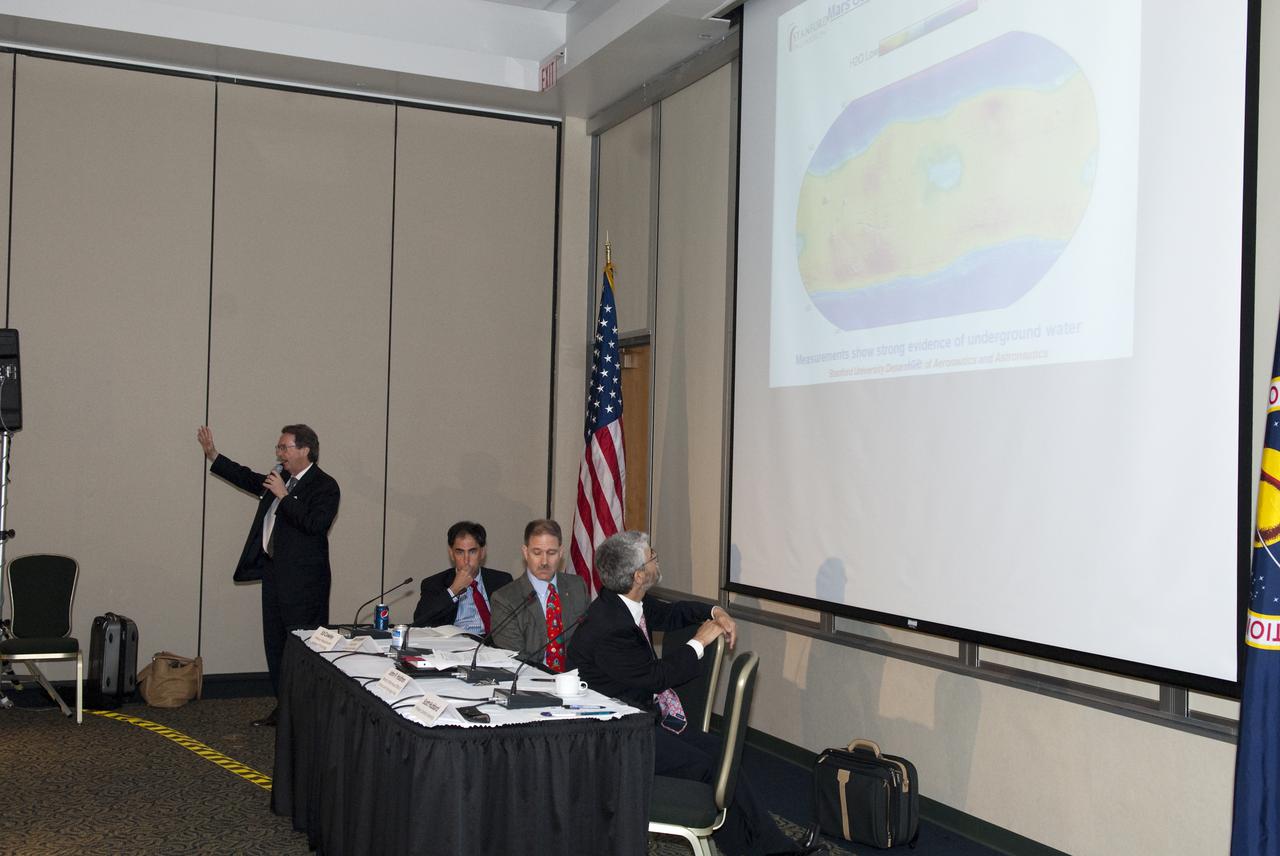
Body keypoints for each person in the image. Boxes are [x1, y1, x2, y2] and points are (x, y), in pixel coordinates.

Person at [567, 531, 823, 856]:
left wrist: (714, 612)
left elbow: (673, 613)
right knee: (710, 766)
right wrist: (699, 641)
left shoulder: (626, 602)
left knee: (722, 755)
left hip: (639, 722)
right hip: (617, 739)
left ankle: (767, 847)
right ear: (638, 576)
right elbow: (656, 677)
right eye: (652, 556)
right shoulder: (610, 628)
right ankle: (776, 850)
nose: (657, 558)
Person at [197, 424, 340, 727]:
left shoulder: (325, 486)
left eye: (284, 447)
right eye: (278, 447)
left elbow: (315, 525)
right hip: (274, 574)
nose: (279, 453)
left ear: (305, 450)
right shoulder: (280, 478)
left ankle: (306, 713)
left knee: (303, 649)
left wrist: (285, 497)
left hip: (304, 584)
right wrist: (214, 455)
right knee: (275, 645)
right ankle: (283, 706)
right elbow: (248, 478)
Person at [488, 519, 588, 670]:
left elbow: (589, 642)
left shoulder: (577, 587)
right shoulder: (504, 599)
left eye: (551, 553)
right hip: (529, 678)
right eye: (537, 553)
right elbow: (514, 659)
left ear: (561, 553)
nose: (544, 562)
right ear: (525, 552)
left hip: (575, 677)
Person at [411, 520, 512, 633]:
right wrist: (453, 590)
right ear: (451, 554)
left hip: (492, 642)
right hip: (454, 642)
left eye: (472, 552)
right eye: (460, 552)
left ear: (482, 552)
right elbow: (419, 622)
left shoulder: (502, 581)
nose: (466, 560)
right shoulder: (434, 583)